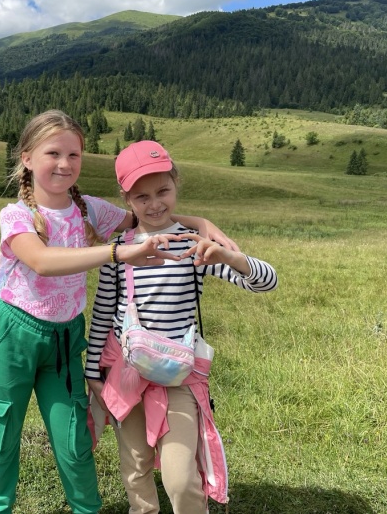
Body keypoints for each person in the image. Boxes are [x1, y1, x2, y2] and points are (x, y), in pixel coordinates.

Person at [0, 110, 238, 514]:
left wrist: (199, 221)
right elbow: (41, 261)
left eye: (74, 155)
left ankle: (86, 509)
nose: (64, 164)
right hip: (13, 336)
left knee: (74, 439)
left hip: (65, 339)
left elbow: (149, 215)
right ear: (26, 158)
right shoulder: (16, 215)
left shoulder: (91, 210)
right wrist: (116, 252)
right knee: (2, 432)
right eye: (53, 153)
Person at [86, 140, 278, 514]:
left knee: (180, 477)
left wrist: (230, 257)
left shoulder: (195, 246)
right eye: (142, 197)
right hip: (126, 374)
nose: (154, 204)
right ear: (126, 199)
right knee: (135, 466)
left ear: (176, 184)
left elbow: (266, 282)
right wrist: (93, 371)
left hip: (179, 376)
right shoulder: (120, 250)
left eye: (163, 191)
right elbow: (103, 312)